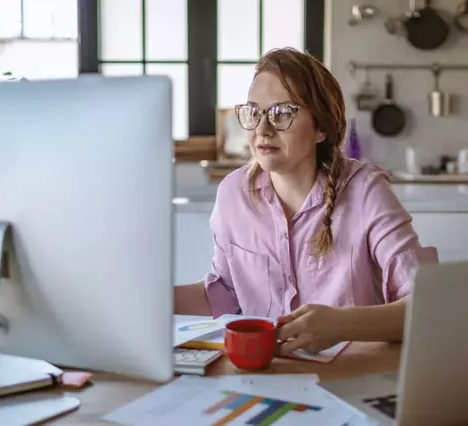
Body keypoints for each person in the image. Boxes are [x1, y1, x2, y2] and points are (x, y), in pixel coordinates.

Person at [175, 47, 438, 355]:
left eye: (282, 113)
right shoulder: (233, 194)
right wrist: (145, 300)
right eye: (254, 112)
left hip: (352, 375)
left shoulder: (366, 191)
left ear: (321, 128)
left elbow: (427, 305)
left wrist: (341, 324)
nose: (262, 129)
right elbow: (225, 294)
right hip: (268, 378)